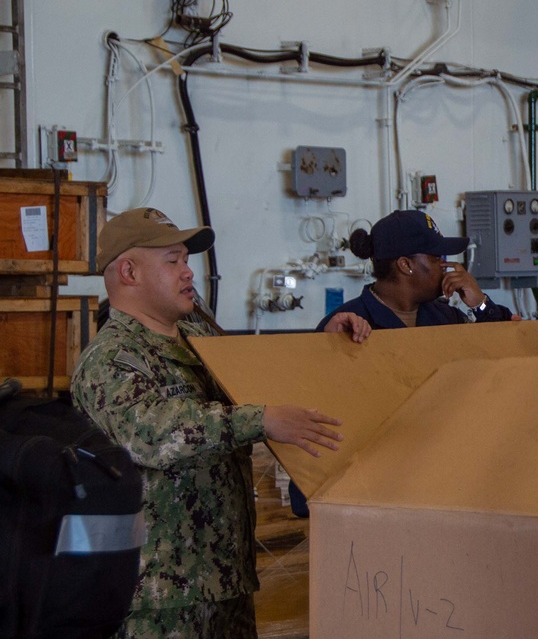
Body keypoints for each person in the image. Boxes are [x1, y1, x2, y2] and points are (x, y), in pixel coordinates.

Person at [71, 207, 371, 639]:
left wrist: (322, 344)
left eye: (186, 260)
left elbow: (253, 380)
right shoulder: (109, 360)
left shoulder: (197, 332)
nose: (187, 272)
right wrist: (260, 420)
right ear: (129, 272)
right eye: (172, 261)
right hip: (159, 598)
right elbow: (155, 433)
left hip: (225, 578)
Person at [316, 209, 516, 331]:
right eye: (436, 258)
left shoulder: (446, 318)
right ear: (406, 265)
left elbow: (502, 356)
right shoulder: (347, 324)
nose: (447, 266)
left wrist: (480, 304)